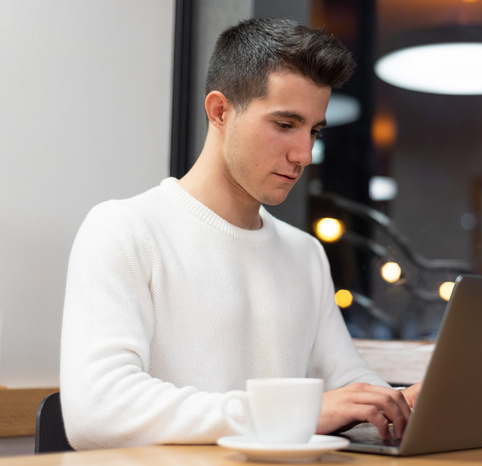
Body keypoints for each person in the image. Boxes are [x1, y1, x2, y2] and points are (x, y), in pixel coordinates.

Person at [60, 17, 420, 451]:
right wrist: (294, 413)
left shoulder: (303, 253)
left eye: (315, 131)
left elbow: (345, 383)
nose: (304, 154)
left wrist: (399, 403)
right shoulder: (124, 229)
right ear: (220, 111)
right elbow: (98, 412)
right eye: (285, 125)